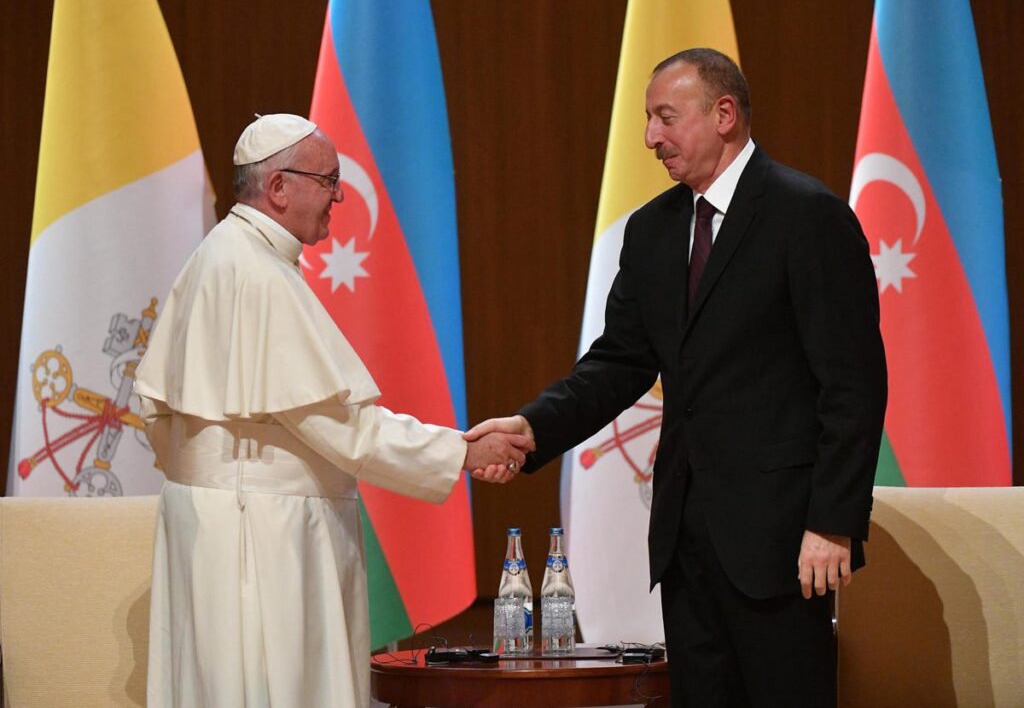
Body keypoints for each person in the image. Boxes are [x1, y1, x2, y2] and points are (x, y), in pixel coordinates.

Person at [467, 49, 887, 707]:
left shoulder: (808, 215)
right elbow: (617, 364)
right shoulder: (652, 230)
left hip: (783, 541)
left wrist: (832, 522)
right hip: (684, 540)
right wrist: (530, 427)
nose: (649, 137)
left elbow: (853, 384)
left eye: (665, 117)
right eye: (647, 119)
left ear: (724, 114)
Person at [134, 114, 528, 708]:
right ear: (278, 187)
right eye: (329, 180)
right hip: (260, 534)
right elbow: (346, 431)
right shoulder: (255, 274)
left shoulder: (227, 255)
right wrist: (463, 452)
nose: (340, 196)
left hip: (229, 522)